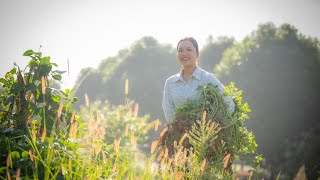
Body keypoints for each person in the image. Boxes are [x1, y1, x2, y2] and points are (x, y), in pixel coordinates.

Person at [162, 37, 235, 122]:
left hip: (204, 134)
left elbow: (229, 104)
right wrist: (178, 129)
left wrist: (213, 126)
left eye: (189, 49)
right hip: (180, 134)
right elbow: (168, 112)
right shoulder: (170, 82)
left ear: (197, 54)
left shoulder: (208, 79)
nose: (184, 53)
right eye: (180, 50)